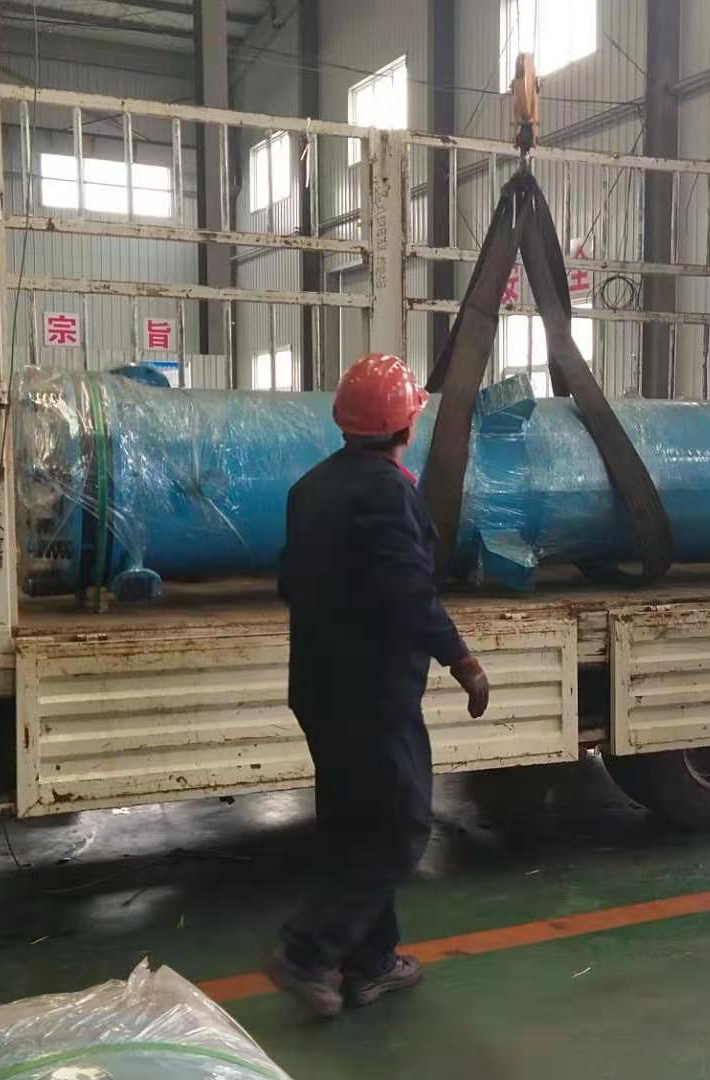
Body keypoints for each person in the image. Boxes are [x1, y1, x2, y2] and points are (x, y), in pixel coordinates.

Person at [264, 353, 492, 1017]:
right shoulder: (390, 492)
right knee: (399, 828)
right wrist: (463, 661)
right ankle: (309, 953)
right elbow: (410, 594)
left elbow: (289, 582)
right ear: (406, 426)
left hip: (318, 689)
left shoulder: (309, 488)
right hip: (374, 695)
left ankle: (370, 963)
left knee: (354, 824)